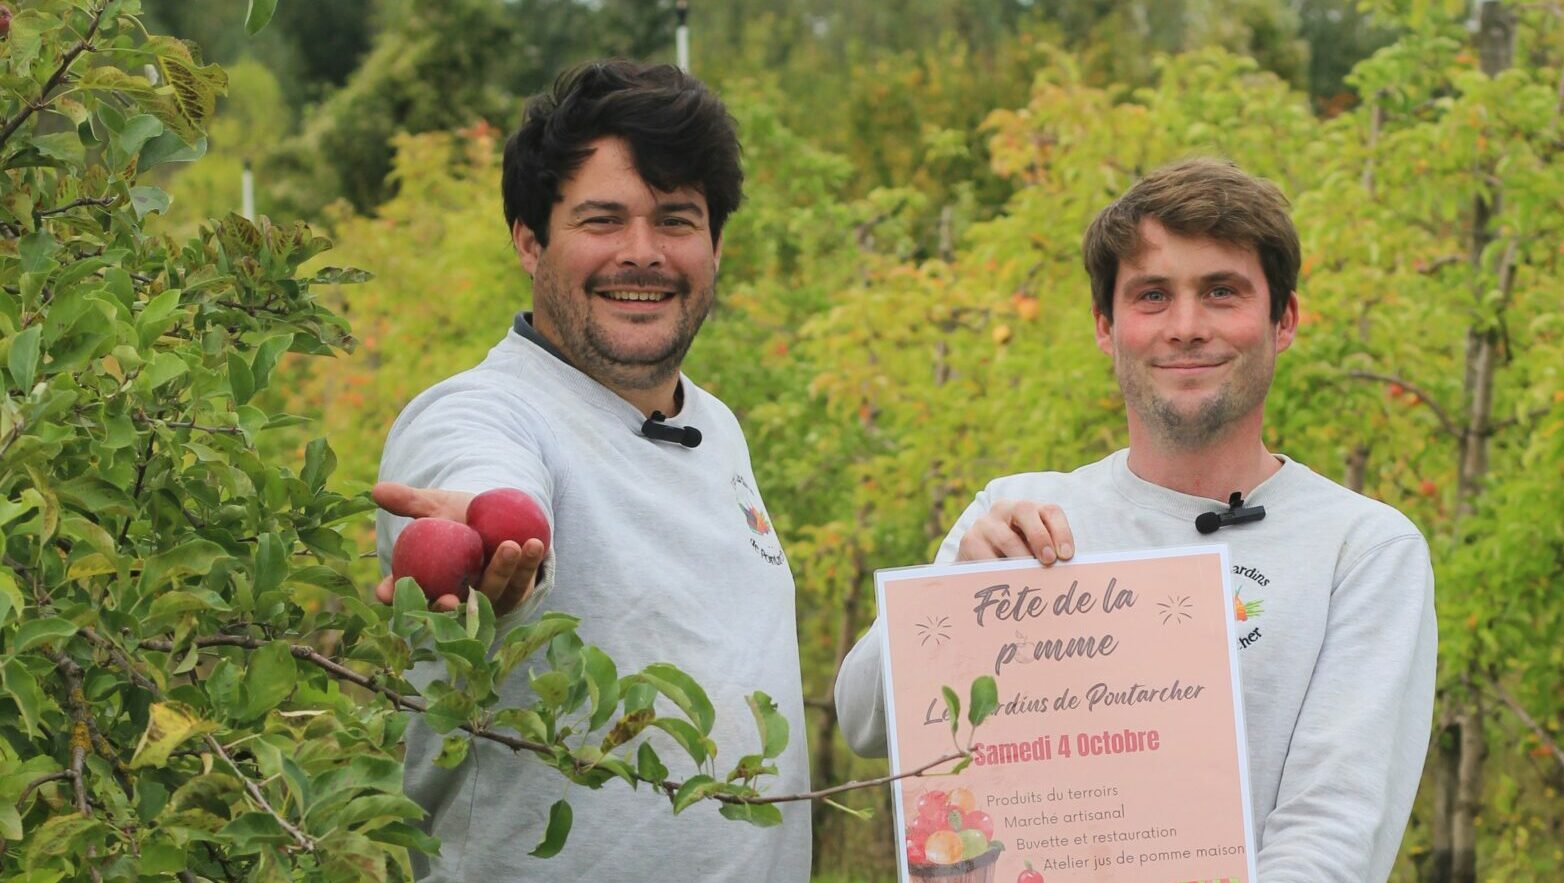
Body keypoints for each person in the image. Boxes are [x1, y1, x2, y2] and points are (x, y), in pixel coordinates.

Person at [834, 159, 1436, 882]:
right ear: (1103, 326)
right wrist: (953, 595)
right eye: (1152, 296)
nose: (1185, 328)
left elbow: (1331, 834)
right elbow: (863, 721)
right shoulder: (1015, 511)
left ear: (1284, 320)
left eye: (1221, 292)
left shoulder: (1361, 550)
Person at [372, 60, 809, 881]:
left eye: (676, 220)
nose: (641, 254)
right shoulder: (481, 411)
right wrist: (479, 543)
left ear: (716, 243)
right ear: (529, 239)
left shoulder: (714, 426)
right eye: (602, 220)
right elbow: (474, 483)